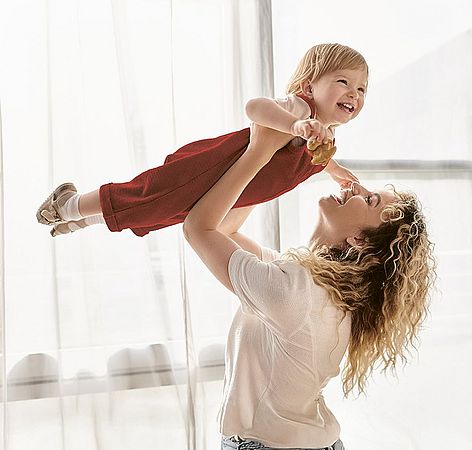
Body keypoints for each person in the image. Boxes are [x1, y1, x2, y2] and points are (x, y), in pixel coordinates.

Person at [182, 114, 436, 449]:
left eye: (370, 199)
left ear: (360, 241)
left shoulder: (295, 290)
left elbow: (198, 227)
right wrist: (273, 161)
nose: (356, 187)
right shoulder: (313, 286)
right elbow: (225, 231)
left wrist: (260, 152)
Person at [35, 43, 367, 237]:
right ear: (309, 87)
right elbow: (255, 108)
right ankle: (68, 205)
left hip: (229, 192)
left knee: (165, 214)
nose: (354, 93)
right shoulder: (299, 110)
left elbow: (314, 157)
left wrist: (335, 171)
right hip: (210, 169)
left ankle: (86, 218)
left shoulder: (322, 137)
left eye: (362, 89)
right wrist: (296, 124)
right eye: (343, 81)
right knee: (150, 197)